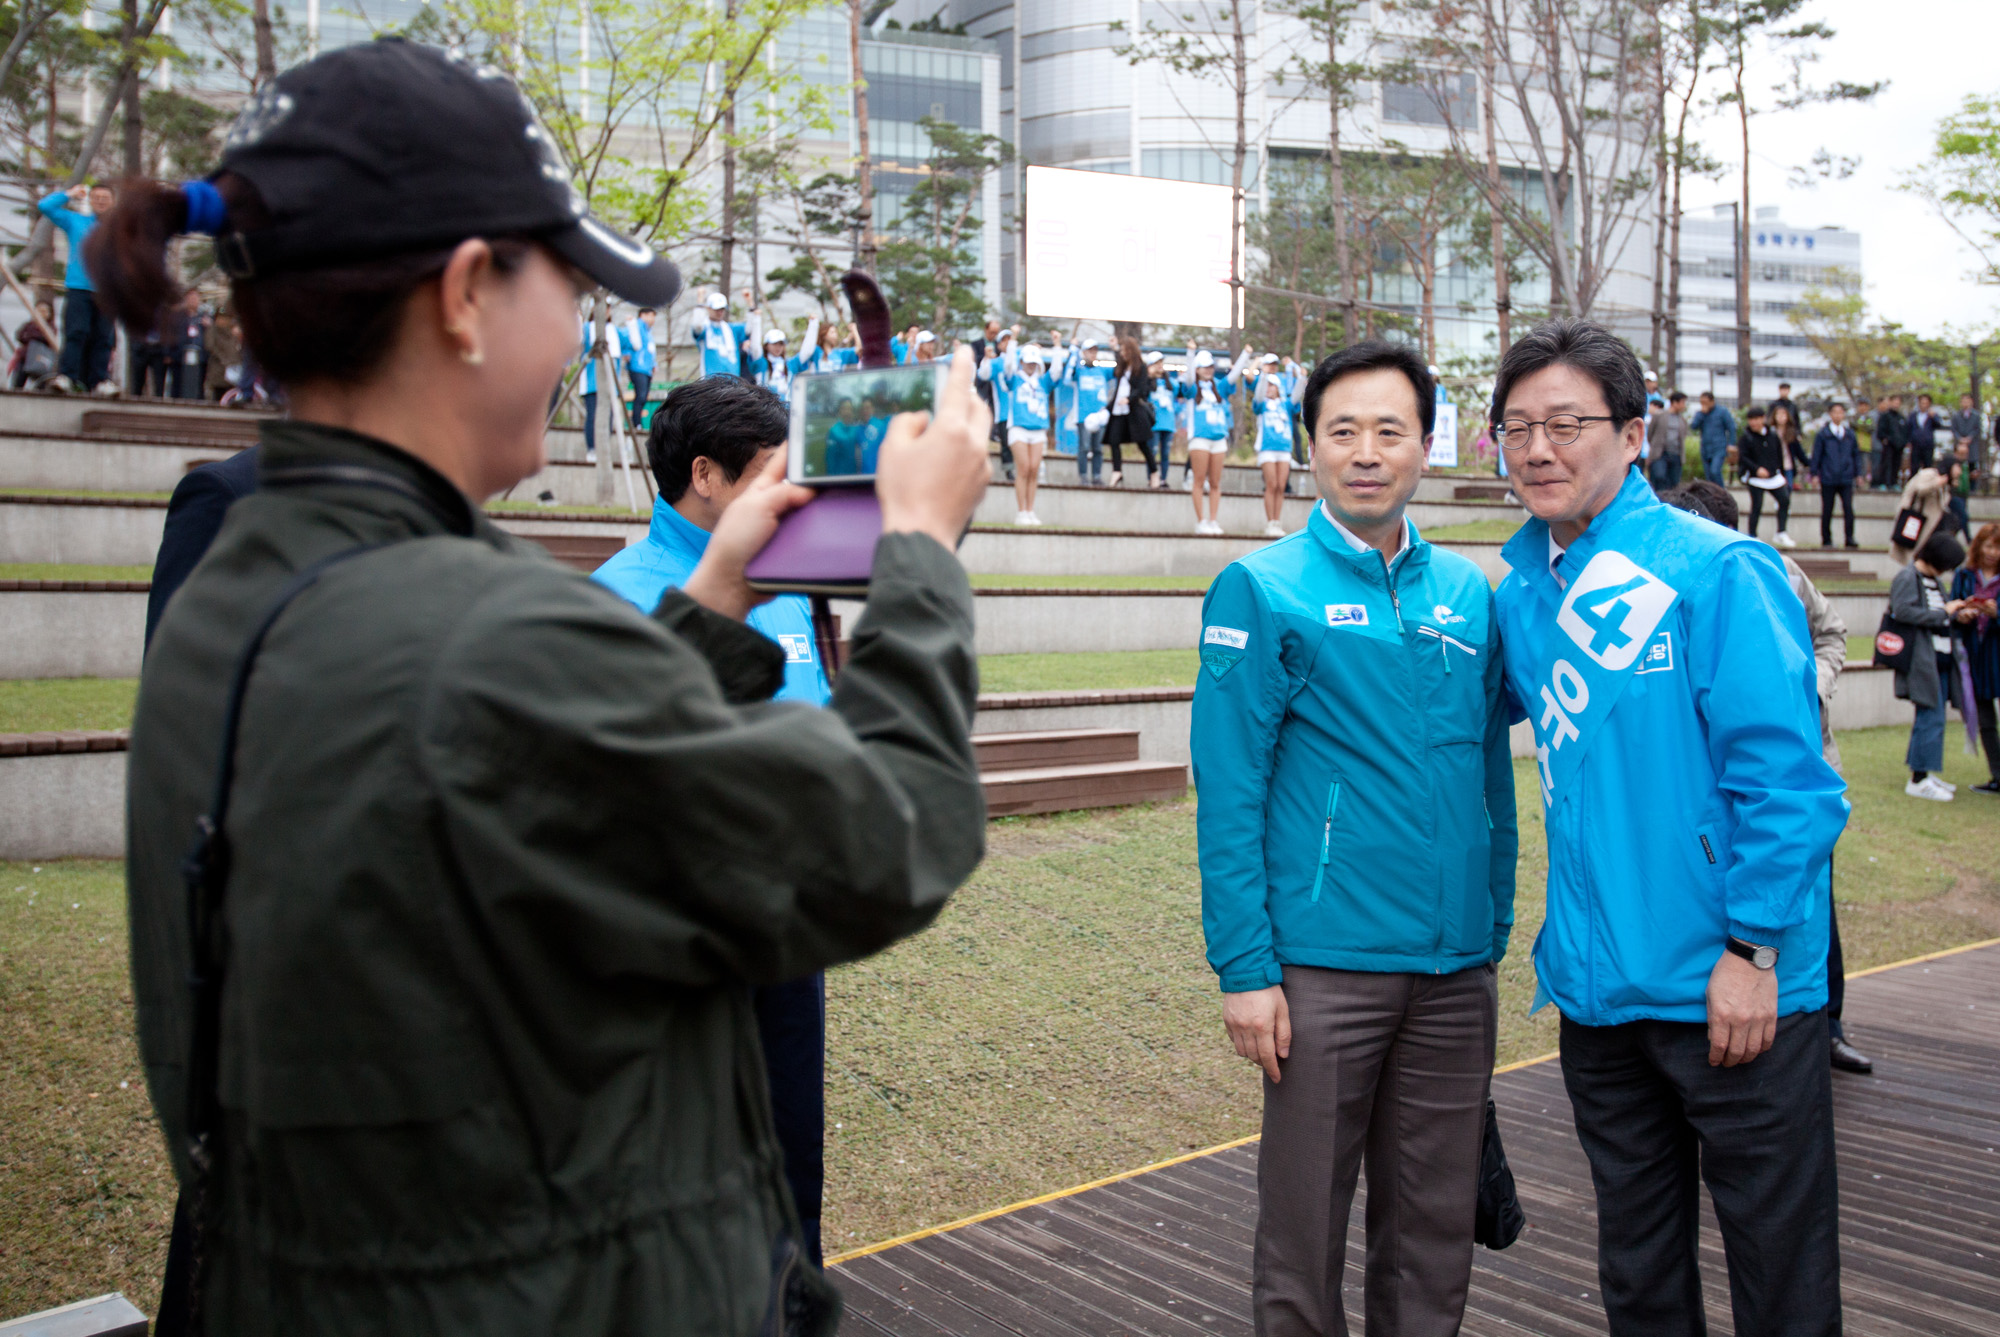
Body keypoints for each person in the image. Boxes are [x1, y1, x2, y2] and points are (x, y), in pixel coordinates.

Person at [101, 39, 994, 1336]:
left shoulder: (244, 585)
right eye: (569, 285)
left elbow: (538, 795)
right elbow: (886, 837)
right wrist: (917, 550)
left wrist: (713, 595)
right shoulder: (480, 632)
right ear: (468, 293)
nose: (580, 330)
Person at [1491, 318, 1849, 1337]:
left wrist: (1753, 947)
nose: (1537, 449)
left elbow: (1790, 784)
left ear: (1632, 433)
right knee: (1638, 1274)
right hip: (1599, 996)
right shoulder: (1525, 591)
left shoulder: (1718, 570)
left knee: (1781, 1279)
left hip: (1734, 992)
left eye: (1565, 424)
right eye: (1515, 427)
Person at [1194, 340, 1516, 1337]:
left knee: (1432, 1237)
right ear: (1309, 447)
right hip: (1322, 972)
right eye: (1342, 431)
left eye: (1389, 430)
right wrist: (1245, 969)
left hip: (1454, 971)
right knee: (1303, 1238)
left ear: (1425, 444)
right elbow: (1229, 794)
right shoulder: (1261, 587)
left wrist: (1493, 923)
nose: (1366, 452)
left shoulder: (1467, 591)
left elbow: (1489, 776)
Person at [589, 376, 835, 1263]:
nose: (793, 496)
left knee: (790, 1165)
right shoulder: (619, 598)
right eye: (773, 474)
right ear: (705, 475)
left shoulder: (788, 582)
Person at [1674, 478, 1873, 1073]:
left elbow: (1832, 632)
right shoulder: (1665, 579)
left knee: (1809, 903)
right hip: (1714, 785)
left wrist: (1812, 687)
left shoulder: (1775, 570)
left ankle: (1826, 1026)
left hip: (1800, 771)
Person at [1892, 529, 1968, 801]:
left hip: (1941, 658)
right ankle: (1918, 779)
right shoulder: (1908, 577)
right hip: (1922, 660)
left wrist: (1956, 614)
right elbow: (1902, 611)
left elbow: (1937, 614)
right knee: (1930, 718)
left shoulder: (1933, 580)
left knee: (1933, 718)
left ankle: (1923, 772)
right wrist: (1943, 613)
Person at [37, 181, 120, 392]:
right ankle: (67, 376)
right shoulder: (75, 221)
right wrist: (70, 194)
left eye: (105, 198)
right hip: (78, 288)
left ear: (113, 202)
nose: (101, 201)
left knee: (104, 337)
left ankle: (100, 381)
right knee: (76, 332)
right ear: (90, 200)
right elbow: (45, 206)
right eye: (97, 197)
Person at [982, 335, 1059, 525]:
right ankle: (1021, 511)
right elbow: (1008, 366)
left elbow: (1056, 371)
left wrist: (1057, 346)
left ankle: (1030, 510)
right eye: (1027, 362)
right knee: (1023, 468)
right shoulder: (1014, 379)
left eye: (1034, 362)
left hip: (1038, 429)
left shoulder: (1043, 382)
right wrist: (1013, 342)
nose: (1031, 366)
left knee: (1034, 470)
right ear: (1022, 362)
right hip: (1018, 428)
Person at [1950, 523, 2000, 795]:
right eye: (1989, 546)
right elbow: (1952, 607)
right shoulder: (1964, 575)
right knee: (1985, 720)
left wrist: (1996, 613)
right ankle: (1997, 776)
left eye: (1998, 547)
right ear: (1979, 546)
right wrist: (1963, 614)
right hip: (1975, 656)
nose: (1993, 552)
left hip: (1996, 651)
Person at [1182, 345, 1252, 534]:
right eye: (1204, 367)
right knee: (1198, 481)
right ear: (1197, 368)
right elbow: (1188, 378)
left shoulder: (1219, 386)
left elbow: (1234, 375)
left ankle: (1213, 520)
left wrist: (1245, 354)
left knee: (1215, 482)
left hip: (1219, 439)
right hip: (1199, 439)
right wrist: (1190, 354)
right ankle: (1201, 521)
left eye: (1210, 366)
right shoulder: (1192, 387)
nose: (1208, 370)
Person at [1253, 357, 1305, 537]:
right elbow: (1258, 394)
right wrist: (1263, 376)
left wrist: (1300, 376)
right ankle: (1270, 522)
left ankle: (1277, 521)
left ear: (1277, 387)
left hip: (1284, 449)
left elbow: (1297, 393)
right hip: (1267, 449)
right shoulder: (1261, 405)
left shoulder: (1285, 404)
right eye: (1267, 385)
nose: (1268, 388)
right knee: (1272, 484)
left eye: (1271, 385)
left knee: (1281, 486)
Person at [1100, 335, 1154, 491]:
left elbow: (1141, 389)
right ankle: (1117, 471)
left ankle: (1154, 472)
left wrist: (1129, 399)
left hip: (1133, 410)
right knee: (1114, 440)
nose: (1123, 354)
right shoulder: (1122, 368)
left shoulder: (1140, 367)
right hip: (1118, 410)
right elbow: (1118, 387)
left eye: (1125, 351)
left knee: (1142, 444)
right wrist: (1114, 348)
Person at [1737, 405, 1794, 544]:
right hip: (1755, 478)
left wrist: (1780, 471)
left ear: (1763, 419)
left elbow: (1778, 455)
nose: (1754, 423)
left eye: (1757, 419)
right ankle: (1752, 534)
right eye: (1751, 419)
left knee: (1784, 500)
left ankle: (1781, 532)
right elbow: (1743, 457)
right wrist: (1757, 469)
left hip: (1773, 477)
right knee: (1757, 505)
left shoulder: (1772, 435)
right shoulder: (1746, 438)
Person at [1063, 338, 1115, 486]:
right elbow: (1068, 373)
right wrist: (1073, 350)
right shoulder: (1079, 370)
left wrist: (1115, 349)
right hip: (1083, 416)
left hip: (1100, 417)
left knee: (1098, 448)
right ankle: (1083, 476)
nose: (1093, 354)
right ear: (1084, 352)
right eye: (1089, 351)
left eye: (1095, 351)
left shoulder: (1103, 370)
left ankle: (1097, 476)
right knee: (1084, 447)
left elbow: (1118, 371)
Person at [1809, 401, 1861, 549]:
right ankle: (1826, 539)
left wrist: (1858, 473)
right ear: (1830, 414)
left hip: (1846, 476)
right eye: (1835, 412)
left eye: (1840, 412)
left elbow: (1856, 455)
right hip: (1828, 476)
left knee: (1848, 508)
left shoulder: (1849, 434)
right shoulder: (1823, 434)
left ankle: (1849, 538)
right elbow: (1817, 455)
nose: (1838, 415)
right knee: (1827, 509)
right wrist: (1814, 473)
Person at [691, 288, 753, 378]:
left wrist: (750, 303)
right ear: (708, 308)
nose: (720, 312)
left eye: (722, 309)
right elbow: (697, 326)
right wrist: (700, 300)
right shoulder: (704, 329)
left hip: (733, 381)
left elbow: (750, 329)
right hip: (710, 382)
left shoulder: (731, 329)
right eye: (716, 309)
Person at [8, 298, 61, 389]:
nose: (42, 313)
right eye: (40, 311)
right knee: (19, 379)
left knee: (41, 379)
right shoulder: (29, 324)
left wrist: (32, 336)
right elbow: (20, 335)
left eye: (45, 311)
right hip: (25, 356)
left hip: (41, 356)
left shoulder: (51, 327)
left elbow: (46, 339)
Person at [167, 288, 209, 400]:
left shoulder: (204, 317)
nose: (193, 300)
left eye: (196, 298)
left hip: (200, 357)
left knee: (198, 383)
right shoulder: (178, 316)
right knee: (178, 384)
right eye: (191, 297)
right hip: (180, 355)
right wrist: (169, 353)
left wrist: (209, 326)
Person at [618, 305, 656, 425]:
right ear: (642, 315)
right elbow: (626, 338)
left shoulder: (648, 331)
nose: (653, 319)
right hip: (637, 366)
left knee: (643, 397)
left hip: (646, 369)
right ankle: (636, 423)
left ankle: (637, 422)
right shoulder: (636, 326)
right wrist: (626, 351)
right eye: (651, 316)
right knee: (640, 395)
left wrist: (654, 364)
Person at [1645, 389, 1687, 490]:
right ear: (1675, 402)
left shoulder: (1682, 420)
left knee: (1674, 482)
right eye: (1682, 402)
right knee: (1659, 477)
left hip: (1676, 454)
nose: (1684, 405)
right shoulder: (1659, 416)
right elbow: (1650, 433)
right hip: (1661, 453)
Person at [1690, 389, 1734, 484]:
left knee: (1715, 471)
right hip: (1705, 448)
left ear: (1712, 401)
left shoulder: (1722, 412)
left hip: (1719, 447)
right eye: (1701, 403)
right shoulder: (1700, 414)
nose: (1703, 405)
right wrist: (1701, 414)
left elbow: (1731, 427)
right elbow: (1693, 426)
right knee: (1709, 475)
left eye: (1705, 402)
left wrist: (1731, 443)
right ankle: (1712, 492)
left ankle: (1721, 491)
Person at [1873, 391, 1908, 489]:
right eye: (1895, 402)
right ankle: (1884, 483)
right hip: (1888, 445)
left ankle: (1894, 483)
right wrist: (1886, 439)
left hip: (1899, 446)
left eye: (1898, 403)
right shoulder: (1885, 416)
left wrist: (1903, 442)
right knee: (1886, 464)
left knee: (1896, 464)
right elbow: (1880, 432)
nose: (1896, 404)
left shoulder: (1901, 418)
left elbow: (1905, 432)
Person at [1908, 391, 1944, 474]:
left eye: (1926, 403)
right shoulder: (1913, 415)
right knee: (1914, 467)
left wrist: (1933, 416)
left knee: (1928, 466)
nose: (1923, 405)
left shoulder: (1932, 415)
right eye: (1922, 403)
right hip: (1916, 445)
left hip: (1928, 445)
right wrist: (1909, 441)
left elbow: (1939, 425)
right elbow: (1909, 429)